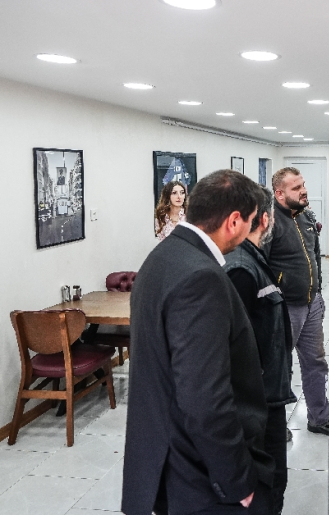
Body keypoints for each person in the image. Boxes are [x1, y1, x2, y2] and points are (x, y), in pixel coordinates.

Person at [123, 170, 274, 515]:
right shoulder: (201, 278)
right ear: (233, 221)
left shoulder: (161, 257)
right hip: (199, 475)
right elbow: (204, 397)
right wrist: (238, 481)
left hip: (163, 455)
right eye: (250, 220)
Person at [224, 187, 297, 515]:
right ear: (266, 220)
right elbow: (235, 345)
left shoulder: (253, 259)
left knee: (274, 480)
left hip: (269, 394)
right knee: (267, 484)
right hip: (257, 402)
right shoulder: (240, 269)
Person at [264, 167, 329, 435]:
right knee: (279, 368)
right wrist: (274, 299)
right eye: (296, 188)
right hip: (285, 308)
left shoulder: (306, 216)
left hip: (311, 303)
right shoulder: (269, 221)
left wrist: (318, 291)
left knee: (316, 362)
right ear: (279, 193)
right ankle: (274, 426)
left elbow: (315, 256)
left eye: (303, 185)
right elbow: (260, 266)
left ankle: (319, 417)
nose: (304, 191)